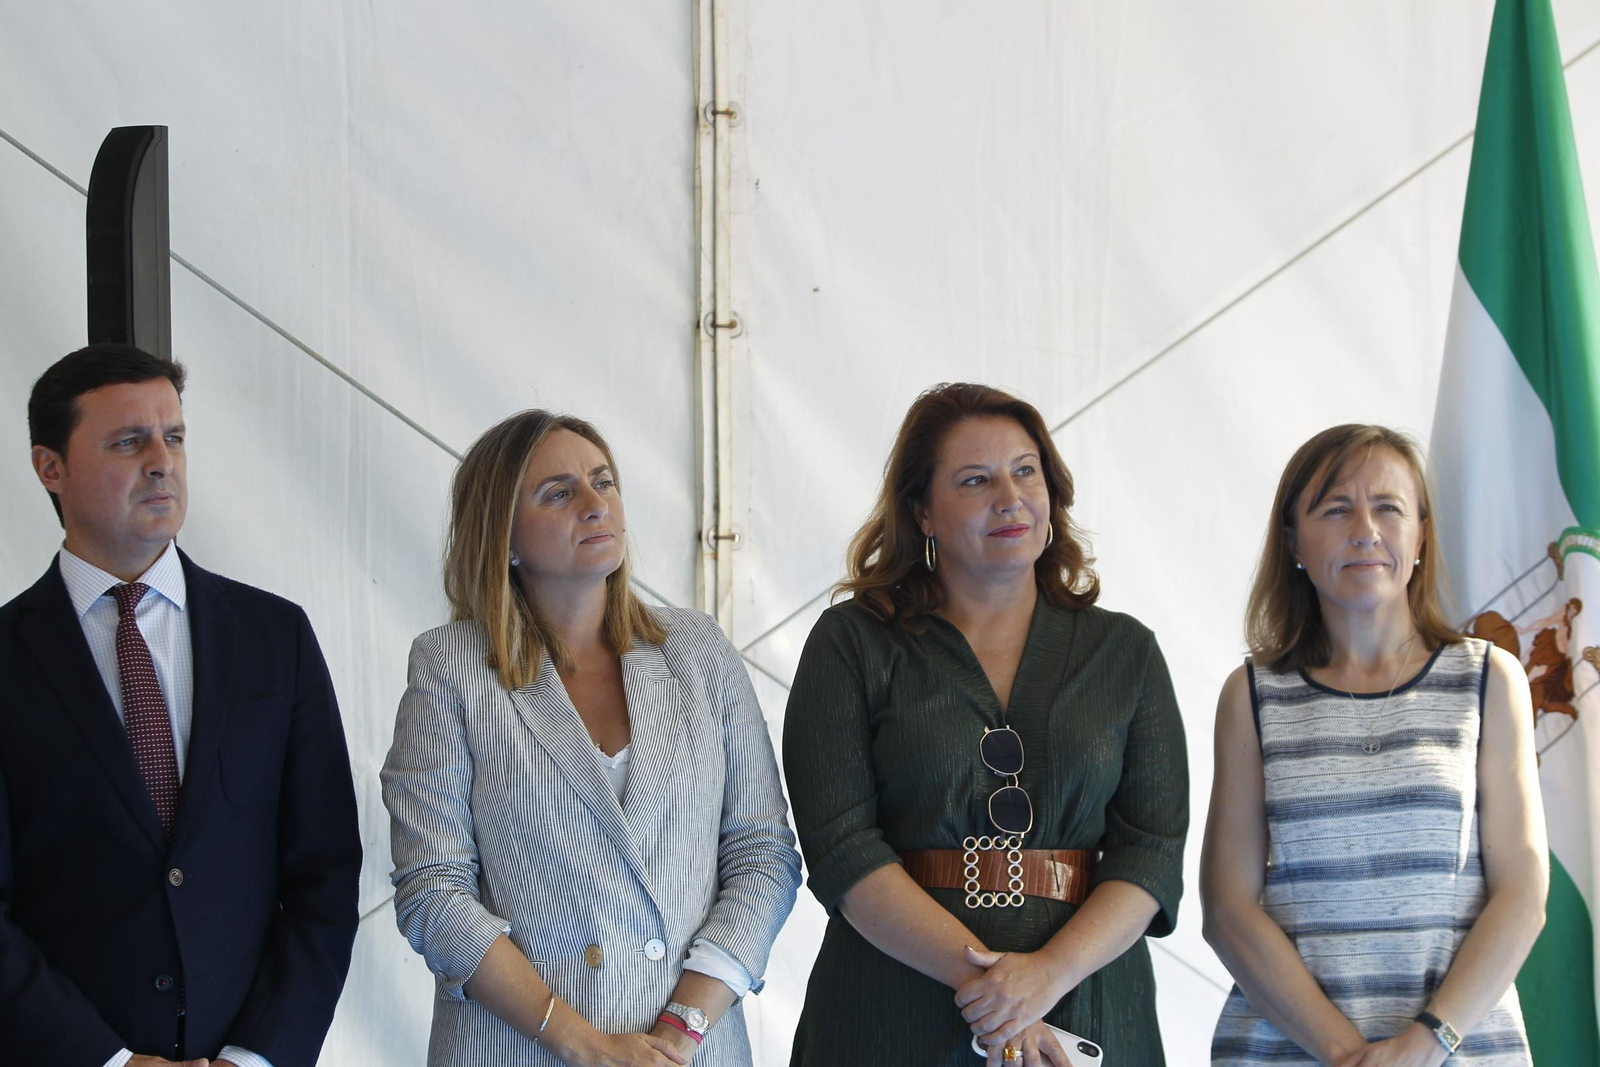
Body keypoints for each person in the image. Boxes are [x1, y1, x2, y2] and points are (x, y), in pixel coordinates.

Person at [782, 382, 1189, 1067]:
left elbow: (1151, 850)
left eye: (1025, 471)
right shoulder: (852, 642)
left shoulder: (1126, 652)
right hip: (891, 1005)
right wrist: (993, 990)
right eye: (975, 479)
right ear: (922, 510)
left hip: (1086, 998)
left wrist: (1046, 976)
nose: (1010, 497)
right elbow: (840, 844)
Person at [382, 409, 800, 1067]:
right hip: (519, 1051)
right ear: (503, 536)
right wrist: (587, 1046)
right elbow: (433, 889)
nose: (595, 503)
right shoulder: (450, 666)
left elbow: (763, 853)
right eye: (559, 492)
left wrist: (679, 1033)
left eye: (603, 481)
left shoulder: (699, 650)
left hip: (692, 1050)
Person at [0, 344, 362, 1066]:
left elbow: (324, 874)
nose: (161, 461)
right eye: (128, 441)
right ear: (50, 467)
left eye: (174, 436)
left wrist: (254, 1056)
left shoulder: (274, 636)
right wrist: (107, 1060)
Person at [1203, 424, 1546, 1066]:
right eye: (1336, 509)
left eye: (1388, 507)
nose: (1365, 530)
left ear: (1422, 534)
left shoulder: (1489, 678)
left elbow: (1522, 897)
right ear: (1293, 542)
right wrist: (1348, 1055)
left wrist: (1424, 1044)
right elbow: (1227, 909)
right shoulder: (1250, 694)